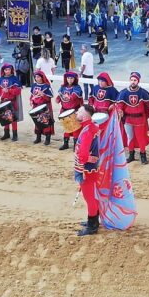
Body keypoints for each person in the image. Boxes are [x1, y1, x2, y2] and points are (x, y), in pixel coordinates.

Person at [73, 104, 101, 236]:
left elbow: (83, 153)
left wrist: (85, 161)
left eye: (79, 112)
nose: (76, 113)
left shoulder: (87, 131)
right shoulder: (92, 127)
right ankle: (94, 220)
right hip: (91, 168)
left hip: (85, 170)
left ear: (84, 116)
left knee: (89, 198)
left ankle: (92, 226)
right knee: (91, 197)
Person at [117, 72, 149, 164]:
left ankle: (143, 155)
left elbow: (147, 106)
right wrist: (120, 110)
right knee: (130, 137)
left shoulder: (143, 92)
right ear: (129, 80)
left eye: (135, 80)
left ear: (138, 81)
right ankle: (131, 155)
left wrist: (145, 117)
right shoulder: (124, 92)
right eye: (131, 80)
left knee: (140, 138)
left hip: (139, 119)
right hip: (128, 119)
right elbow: (120, 104)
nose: (133, 82)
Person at [0, 63, 23, 141]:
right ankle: (6, 134)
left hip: (12, 101)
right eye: (6, 70)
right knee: (5, 118)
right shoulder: (0, 79)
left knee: (13, 119)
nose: (7, 71)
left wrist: (9, 90)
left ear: (11, 70)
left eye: (9, 69)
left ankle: (15, 134)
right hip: (3, 101)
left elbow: (18, 91)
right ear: (3, 70)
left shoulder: (15, 79)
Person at [56, 71, 84, 150]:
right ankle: (66, 143)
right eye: (68, 78)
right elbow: (60, 95)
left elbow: (75, 95)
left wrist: (70, 97)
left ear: (74, 79)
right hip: (64, 110)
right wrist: (58, 99)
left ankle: (75, 145)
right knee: (66, 127)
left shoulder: (77, 87)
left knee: (75, 128)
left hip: (73, 111)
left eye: (71, 78)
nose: (69, 80)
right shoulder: (63, 87)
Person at [29, 70, 55, 145]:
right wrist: (31, 101)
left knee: (46, 122)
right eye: (36, 77)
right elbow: (32, 96)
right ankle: (38, 137)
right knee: (37, 121)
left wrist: (43, 94)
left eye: (38, 77)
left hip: (44, 106)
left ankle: (47, 139)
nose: (37, 78)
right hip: (36, 106)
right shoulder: (34, 85)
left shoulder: (46, 86)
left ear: (42, 77)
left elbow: (49, 98)